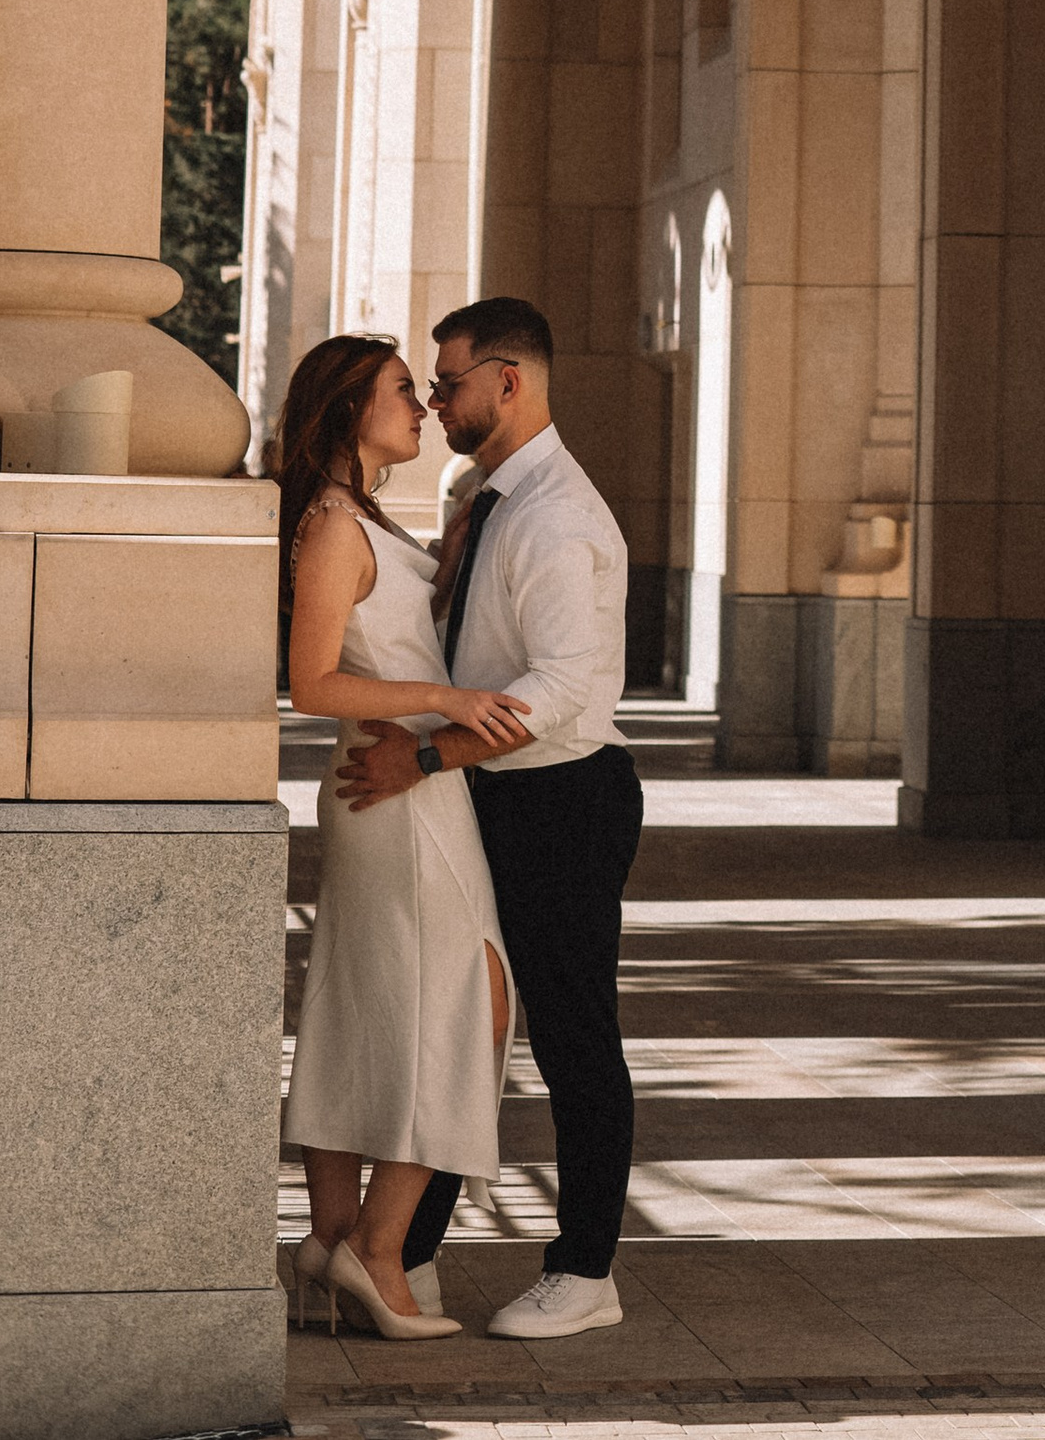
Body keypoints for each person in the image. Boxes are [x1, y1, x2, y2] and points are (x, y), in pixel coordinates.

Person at [337, 295, 640, 1342]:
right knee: (470, 1016)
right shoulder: (485, 491)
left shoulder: (555, 514)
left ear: (509, 381)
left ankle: (585, 1269)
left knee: (570, 1032)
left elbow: (558, 689)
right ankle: (401, 1250)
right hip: (489, 791)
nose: (435, 399)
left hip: (561, 797)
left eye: (450, 380)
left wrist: (423, 752)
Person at [273, 334, 528, 1342]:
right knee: (473, 998)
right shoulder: (335, 526)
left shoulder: (362, 515)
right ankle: (377, 1249)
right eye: (397, 392)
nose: (420, 405)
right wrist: (446, 696)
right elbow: (314, 681)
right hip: (401, 795)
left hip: (397, 792)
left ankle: (332, 1230)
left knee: (362, 1005)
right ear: (346, 413)